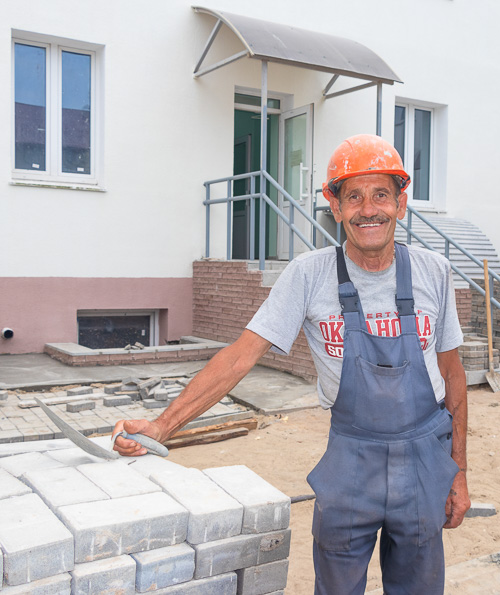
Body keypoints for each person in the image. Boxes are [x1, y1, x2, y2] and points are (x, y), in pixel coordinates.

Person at [113, 134, 470, 594]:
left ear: (400, 203)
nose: (368, 209)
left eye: (381, 194)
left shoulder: (433, 271)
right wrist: (163, 425)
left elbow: (453, 376)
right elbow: (240, 356)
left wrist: (458, 473)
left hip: (424, 461)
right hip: (351, 462)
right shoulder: (309, 274)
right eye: (353, 197)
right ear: (335, 206)